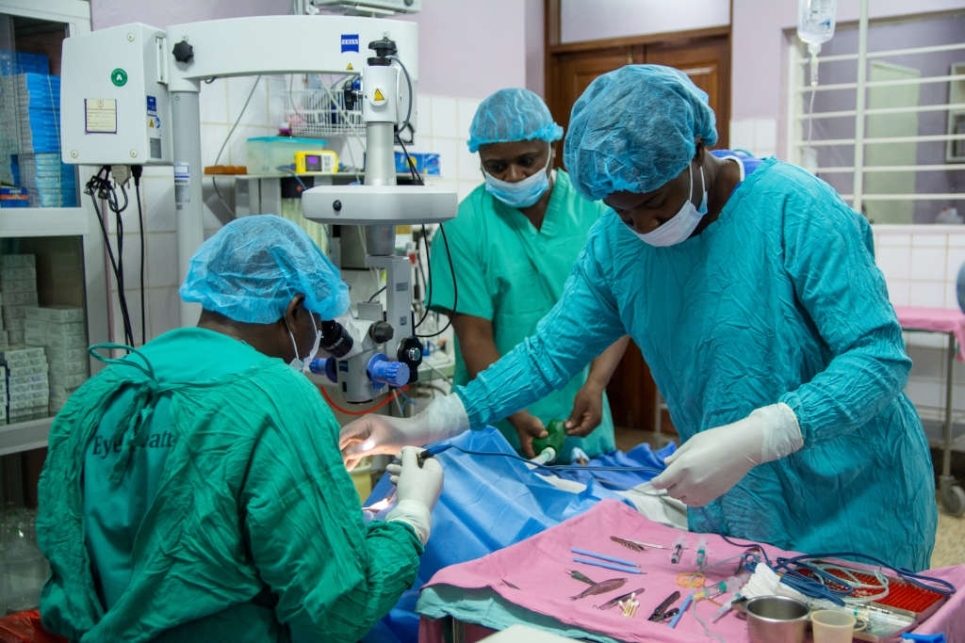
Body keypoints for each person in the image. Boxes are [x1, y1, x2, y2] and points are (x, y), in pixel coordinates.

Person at [341, 65, 938, 571]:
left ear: (697, 151)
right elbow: (547, 354)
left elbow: (878, 358)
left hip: (855, 497)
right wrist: (423, 425)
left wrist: (761, 435)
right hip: (741, 503)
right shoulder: (617, 245)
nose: (643, 226)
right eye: (622, 211)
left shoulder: (798, 211)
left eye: (654, 201)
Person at [36, 215, 444, 642]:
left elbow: (71, 571)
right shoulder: (276, 399)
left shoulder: (101, 391)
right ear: (294, 310)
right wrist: (410, 517)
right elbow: (334, 609)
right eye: (318, 326)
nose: (315, 343)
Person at [426, 87, 628, 461]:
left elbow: (618, 309)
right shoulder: (463, 227)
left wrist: (596, 384)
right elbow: (475, 336)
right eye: (497, 166)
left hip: (581, 409)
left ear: (553, 147)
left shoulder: (597, 211)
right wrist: (515, 413)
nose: (515, 176)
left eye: (527, 160)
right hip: (495, 425)